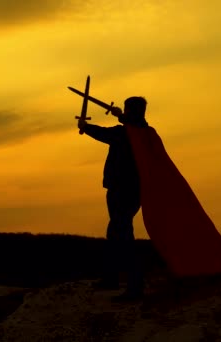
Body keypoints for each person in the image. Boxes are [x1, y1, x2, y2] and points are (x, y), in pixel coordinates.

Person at [78, 96, 149, 302]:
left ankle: (135, 286)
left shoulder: (125, 134)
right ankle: (111, 278)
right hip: (134, 191)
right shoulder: (144, 132)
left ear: (131, 112)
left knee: (123, 235)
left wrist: (85, 126)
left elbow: (104, 133)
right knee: (115, 232)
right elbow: (133, 125)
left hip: (121, 190)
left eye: (126, 110)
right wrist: (120, 115)